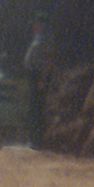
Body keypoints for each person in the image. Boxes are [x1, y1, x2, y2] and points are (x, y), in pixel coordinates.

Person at [23, 9, 55, 149]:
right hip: (32, 75)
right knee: (32, 106)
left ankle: (37, 141)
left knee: (38, 108)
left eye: (36, 23)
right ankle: (33, 139)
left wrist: (43, 79)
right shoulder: (37, 37)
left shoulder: (46, 38)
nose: (34, 25)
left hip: (39, 75)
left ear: (42, 24)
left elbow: (48, 60)